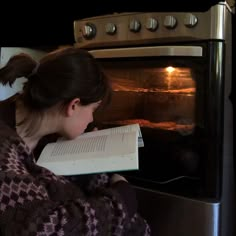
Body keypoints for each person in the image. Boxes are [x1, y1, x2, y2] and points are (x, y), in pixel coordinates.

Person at [0, 46, 151, 236]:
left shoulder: (43, 132)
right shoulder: (3, 147)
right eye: (93, 110)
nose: (91, 120)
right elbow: (40, 228)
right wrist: (121, 200)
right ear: (73, 105)